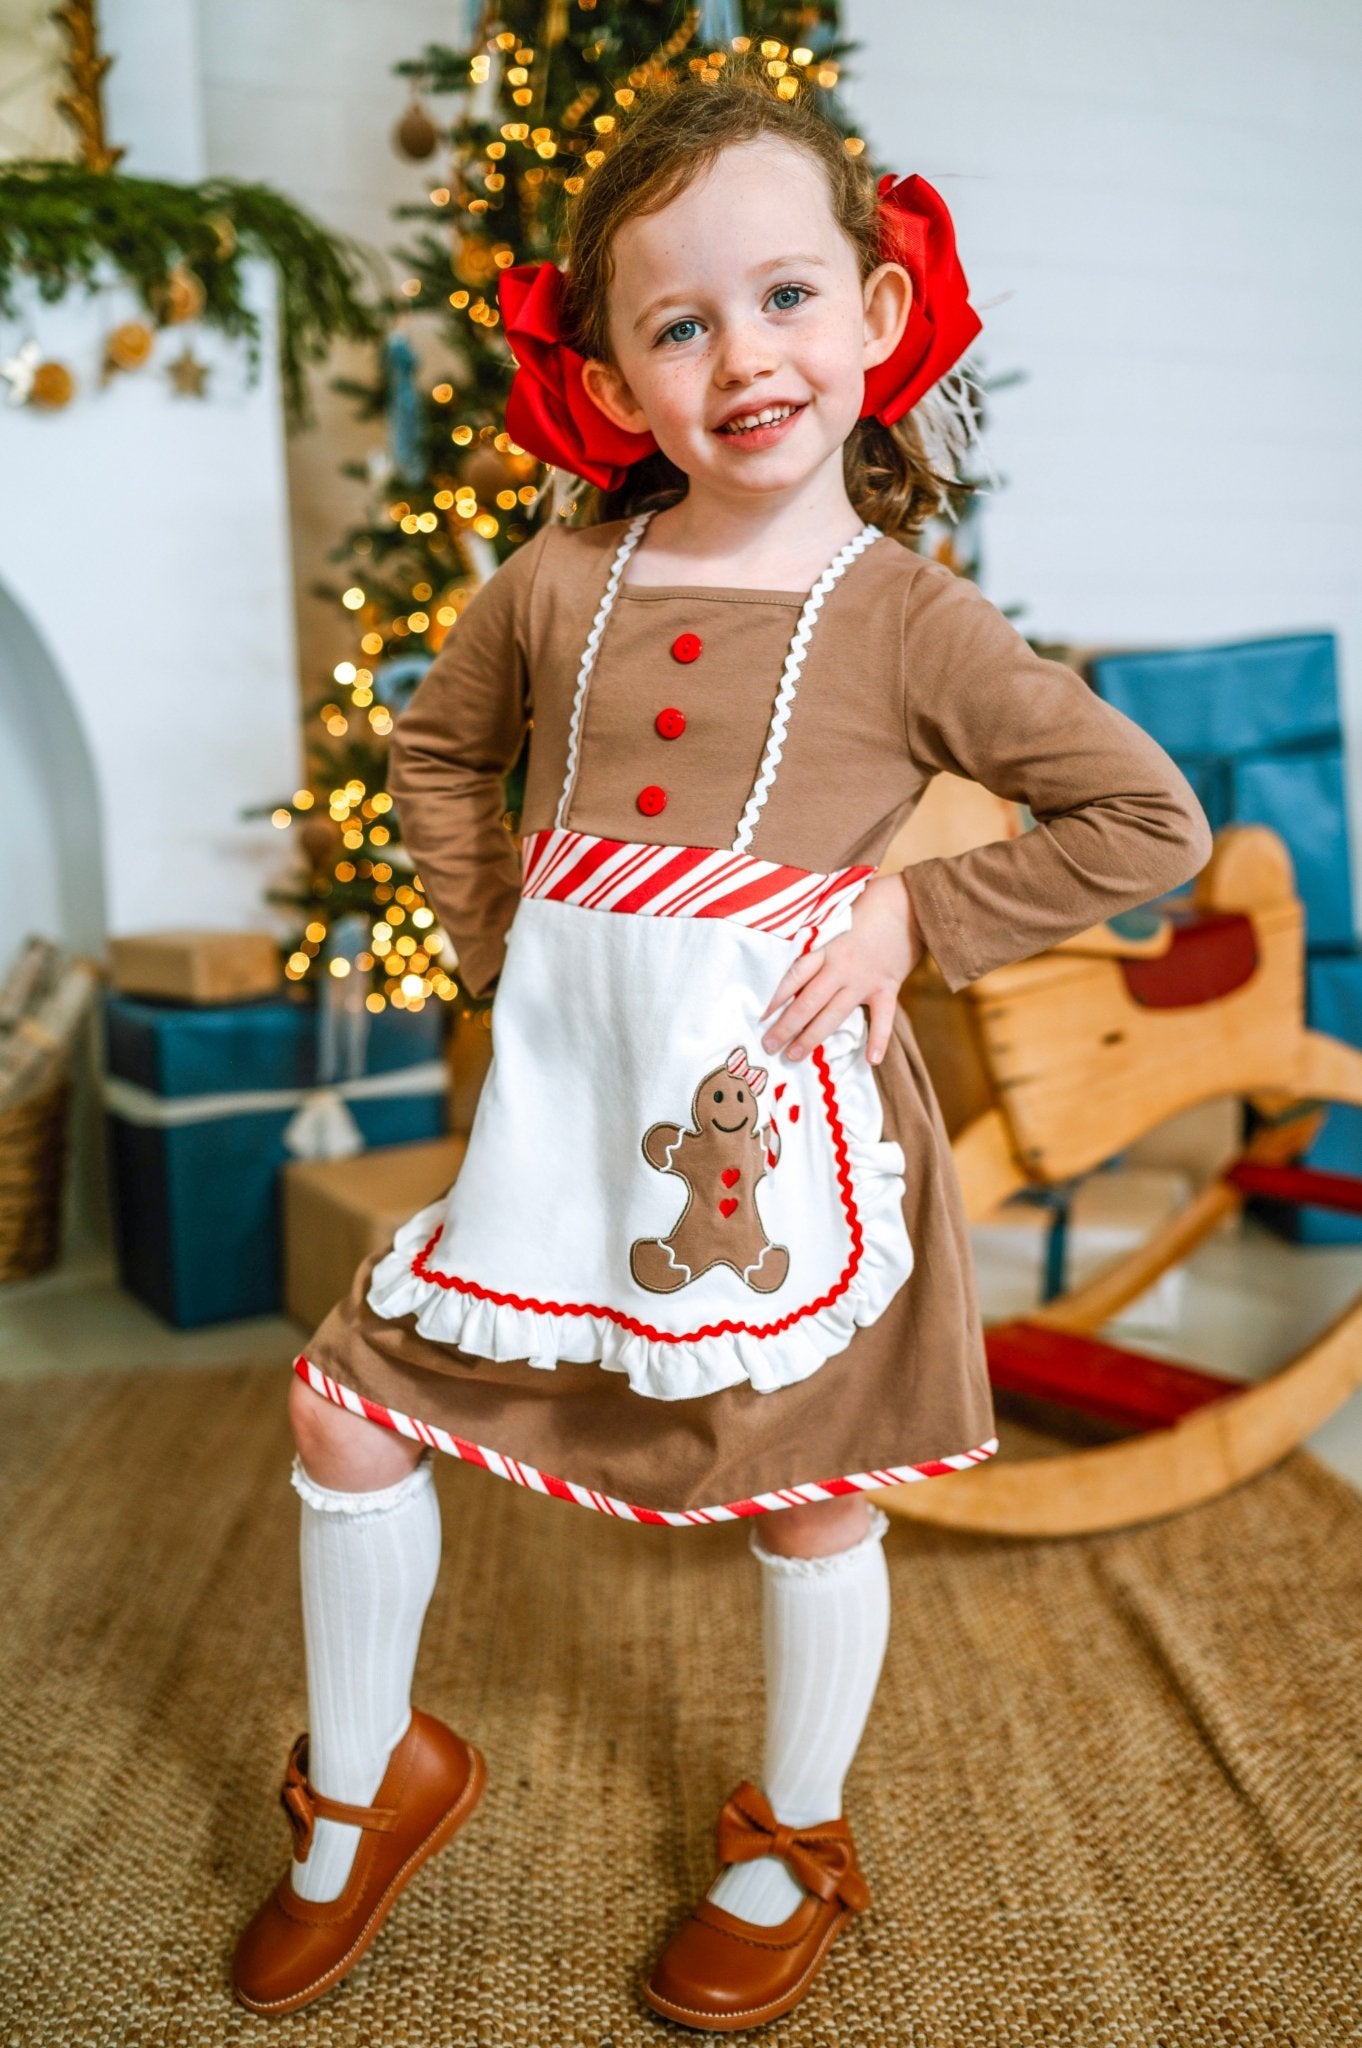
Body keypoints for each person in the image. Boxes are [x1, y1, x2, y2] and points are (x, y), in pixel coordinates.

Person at [232, 66, 1213, 2032]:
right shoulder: (559, 581)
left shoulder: (909, 617)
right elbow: (436, 749)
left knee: (812, 1492)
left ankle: (791, 1835)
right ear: (612, 377)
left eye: (784, 298)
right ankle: (365, 1784)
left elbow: (1149, 823)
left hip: (774, 1131)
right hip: (567, 1124)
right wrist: (508, 938)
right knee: (346, 1406)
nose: (740, 355)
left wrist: (914, 913)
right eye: (679, 322)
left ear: (876, 310)